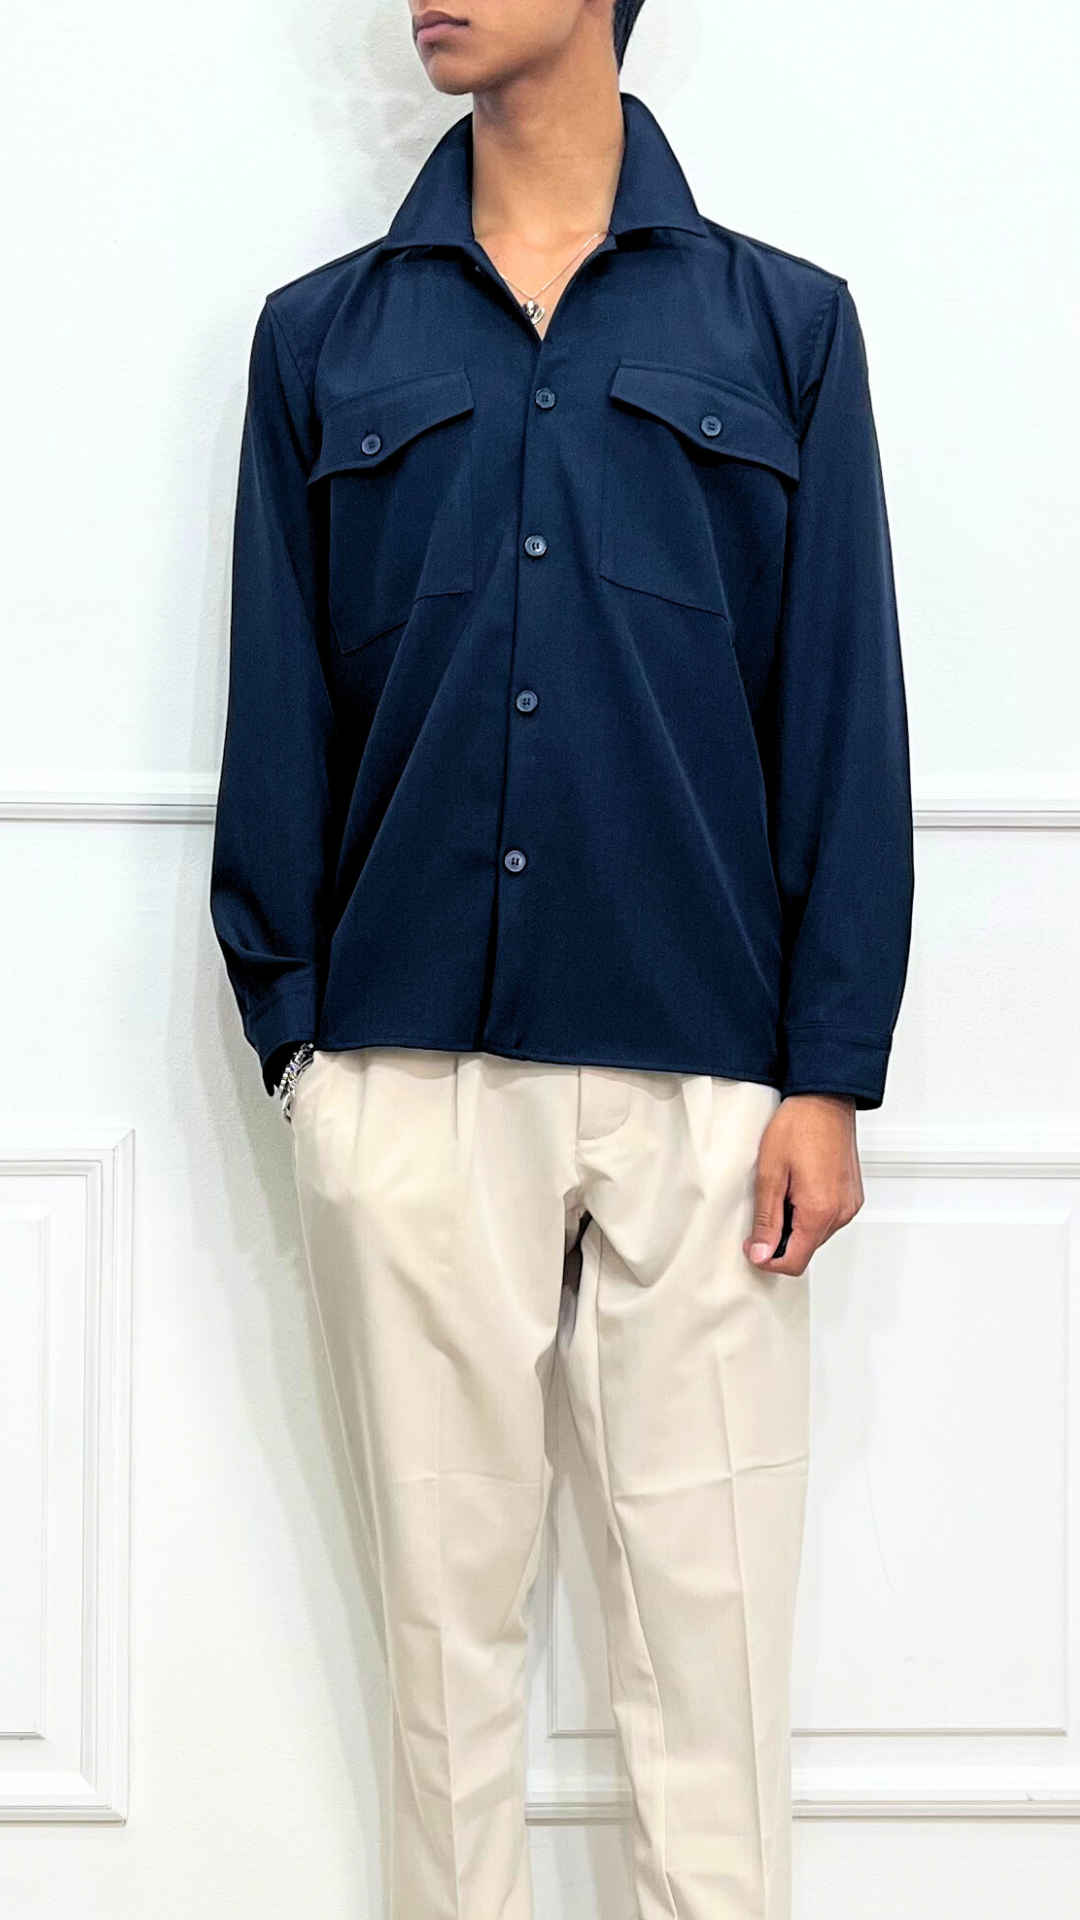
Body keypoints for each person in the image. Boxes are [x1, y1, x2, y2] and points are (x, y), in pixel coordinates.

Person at [209, 1, 914, 1914]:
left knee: (715, 1655)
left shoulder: (783, 328)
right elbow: (280, 712)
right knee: (442, 1672)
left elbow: (839, 712)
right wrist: (307, 1051)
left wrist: (828, 1072)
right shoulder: (321, 339)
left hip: (711, 1086)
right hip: (406, 1070)